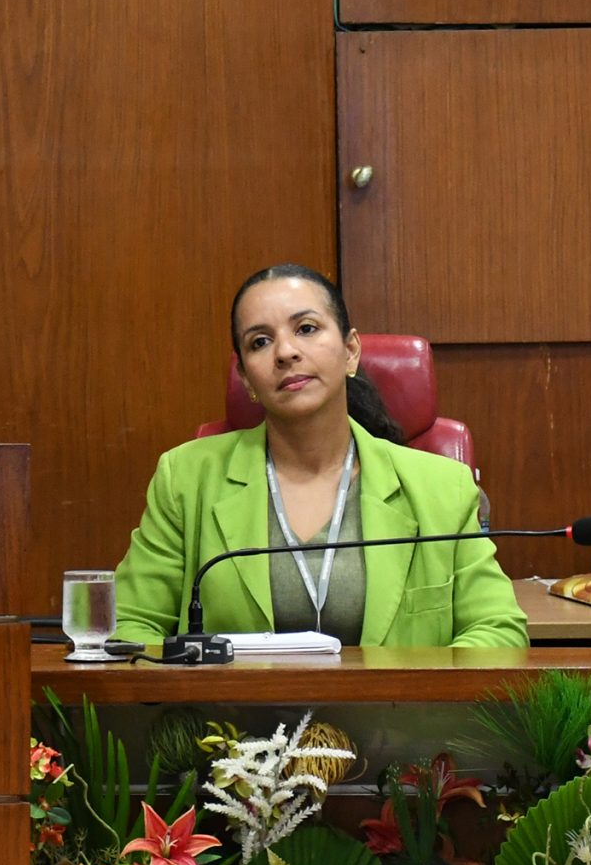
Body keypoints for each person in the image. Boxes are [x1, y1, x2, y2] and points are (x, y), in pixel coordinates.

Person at [109, 265, 526, 651]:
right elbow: (130, 624)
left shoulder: (442, 487)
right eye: (260, 341)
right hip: (233, 728)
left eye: (306, 328)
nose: (286, 352)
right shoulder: (186, 477)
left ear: (350, 351)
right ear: (247, 379)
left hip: (394, 725)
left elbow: (498, 630)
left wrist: (411, 700)